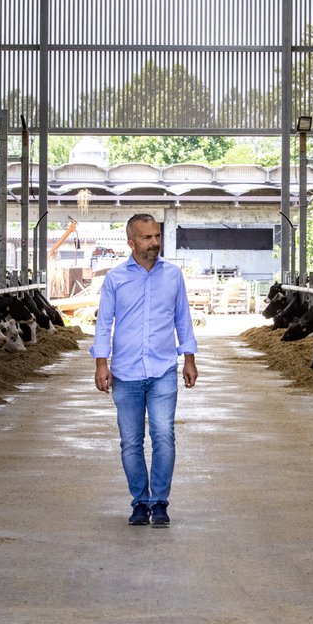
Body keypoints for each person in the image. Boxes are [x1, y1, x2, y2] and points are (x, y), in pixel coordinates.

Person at [92, 213, 199, 528]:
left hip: (164, 368)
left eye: (156, 236)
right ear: (131, 242)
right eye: (147, 237)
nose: (154, 243)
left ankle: (160, 502)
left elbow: (183, 318)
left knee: (164, 436)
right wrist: (101, 363)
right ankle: (140, 501)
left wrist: (189, 358)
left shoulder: (173, 276)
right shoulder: (115, 279)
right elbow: (104, 324)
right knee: (131, 441)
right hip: (125, 373)